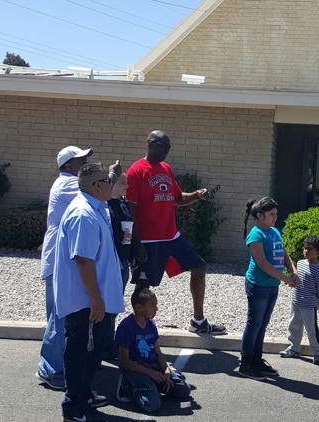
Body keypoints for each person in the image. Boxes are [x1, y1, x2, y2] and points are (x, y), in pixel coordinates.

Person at [126, 130, 225, 334]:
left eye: (169, 148)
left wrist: (196, 195)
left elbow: (178, 198)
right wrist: (136, 245)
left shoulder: (166, 169)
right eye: (163, 146)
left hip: (171, 236)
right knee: (143, 287)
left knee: (199, 267)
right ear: (150, 144)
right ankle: (138, 329)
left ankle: (198, 322)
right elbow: (130, 212)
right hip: (148, 240)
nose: (166, 151)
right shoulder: (136, 172)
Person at [53, 163, 125, 422]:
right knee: (81, 353)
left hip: (94, 300)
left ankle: (83, 396)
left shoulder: (94, 206)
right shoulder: (83, 214)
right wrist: (95, 298)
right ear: (97, 186)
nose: (112, 183)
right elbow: (83, 260)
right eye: (108, 180)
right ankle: (73, 406)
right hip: (87, 302)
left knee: (91, 353)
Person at [37, 145, 93, 390]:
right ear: (68, 166)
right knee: (59, 317)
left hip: (62, 261)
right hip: (58, 262)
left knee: (65, 315)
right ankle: (49, 370)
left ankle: (62, 364)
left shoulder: (67, 182)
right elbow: (95, 190)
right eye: (81, 160)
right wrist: (113, 176)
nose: (86, 164)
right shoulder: (68, 184)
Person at [239, 197, 300, 380]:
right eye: (271, 214)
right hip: (258, 285)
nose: (275, 217)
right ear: (260, 215)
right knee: (254, 324)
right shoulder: (256, 235)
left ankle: (257, 360)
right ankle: (246, 363)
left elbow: (283, 253)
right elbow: (263, 264)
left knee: (262, 325)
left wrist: (293, 271)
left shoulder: (274, 231)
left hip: (272, 285)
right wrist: (286, 279)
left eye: (276, 214)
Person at [114, 288, 191, 413]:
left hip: (152, 365)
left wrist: (166, 371)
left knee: (184, 391)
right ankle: (126, 384)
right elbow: (125, 361)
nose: (157, 309)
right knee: (152, 405)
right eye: (153, 306)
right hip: (137, 368)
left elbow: (158, 352)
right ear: (139, 307)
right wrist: (151, 373)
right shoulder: (126, 327)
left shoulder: (151, 324)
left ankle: (152, 385)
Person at [104, 160, 137, 360]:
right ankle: (105, 346)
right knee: (107, 307)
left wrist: (132, 256)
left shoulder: (123, 204)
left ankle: (109, 343)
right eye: (122, 182)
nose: (126, 186)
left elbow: (128, 231)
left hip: (123, 262)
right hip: (109, 262)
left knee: (115, 305)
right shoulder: (103, 205)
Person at [280, 235, 319, 365]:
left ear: (317, 253)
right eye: (305, 248)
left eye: (309, 249)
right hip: (295, 301)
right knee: (294, 325)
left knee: (311, 329)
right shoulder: (299, 263)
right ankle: (293, 348)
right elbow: (295, 278)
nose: (305, 251)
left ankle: (317, 353)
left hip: (309, 304)